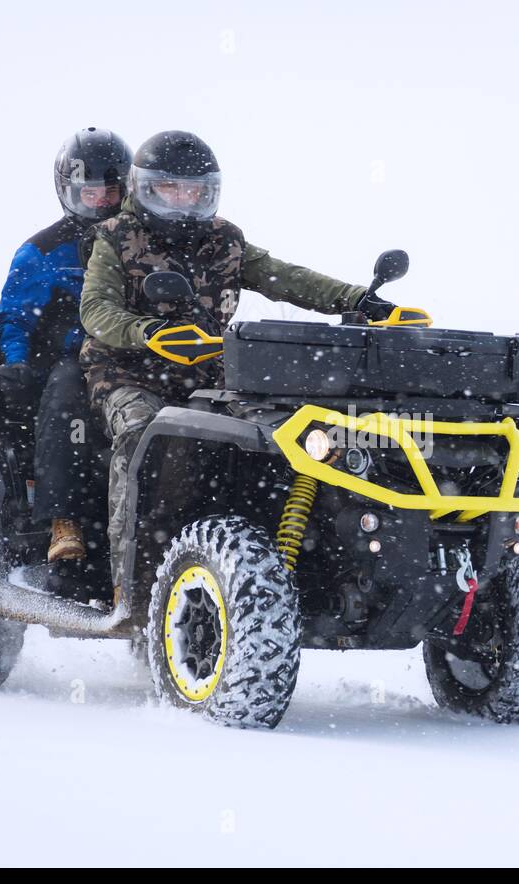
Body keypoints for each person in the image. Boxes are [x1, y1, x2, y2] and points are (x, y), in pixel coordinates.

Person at [78, 130, 395, 601]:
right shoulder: (116, 236)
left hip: (211, 374)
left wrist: (362, 301)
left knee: (281, 435)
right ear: (144, 188)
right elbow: (96, 309)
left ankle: (282, 560)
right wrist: (149, 333)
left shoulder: (224, 238)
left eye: (195, 190)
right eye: (170, 188)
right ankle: (130, 583)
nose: (184, 200)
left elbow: (288, 278)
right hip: (127, 372)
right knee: (140, 433)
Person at [0, 127, 133, 561]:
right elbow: (14, 317)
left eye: (112, 192)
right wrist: (15, 361)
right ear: (68, 191)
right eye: (91, 194)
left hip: (136, 356)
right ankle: (63, 521)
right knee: (66, 395)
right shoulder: (42, 251)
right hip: (70, 359)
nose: (103, 202)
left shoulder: (141, 242)